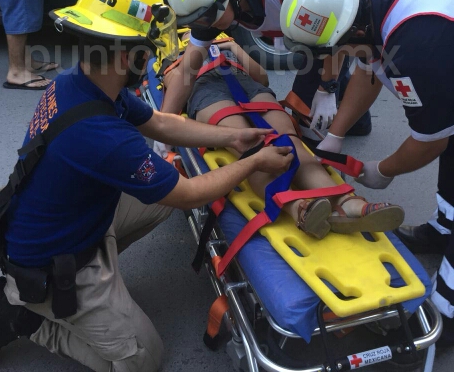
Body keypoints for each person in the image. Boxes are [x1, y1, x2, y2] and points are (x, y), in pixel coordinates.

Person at [0, 0, 293, 372]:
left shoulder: (86, 84)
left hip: (69, 222)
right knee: (145, 359)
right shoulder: (102, 135)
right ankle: (28, 317)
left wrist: (227, 139)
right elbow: (191, 194)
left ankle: (88, 287)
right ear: (132, 56)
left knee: (161, 196)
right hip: (53, 263)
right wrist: (255, 162)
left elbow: (160, 123)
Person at [278, 0, 454, 345]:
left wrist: (383, 169)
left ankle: (448, 313)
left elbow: (430, 140)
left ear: (351, 30)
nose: (330, 62)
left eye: (331, 52)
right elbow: (368, 67)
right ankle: (443, 228)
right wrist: (336, 135)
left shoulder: (416, 44)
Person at [161, 32, 403, 238]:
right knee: (254, 148)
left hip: (248, 85)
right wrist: (191, 60)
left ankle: (348, 204)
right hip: (206, 91)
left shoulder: (228, 45)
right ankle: (298, 208)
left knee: (290, 143)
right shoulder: (175, 56)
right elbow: (177, 85)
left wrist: (233, 47)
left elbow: (262, 78)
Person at [162, 0, 369, 135]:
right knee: (317, 88)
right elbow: (187, 70)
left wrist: (327, 88)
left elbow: (332, 39)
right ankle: (356, 119)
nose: (204, 26)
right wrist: (164, 127)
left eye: (206, 18)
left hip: (338, 1)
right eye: (195, 21)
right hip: (316, 11)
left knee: (304, 106)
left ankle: (346, 115)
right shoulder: (214, 4)